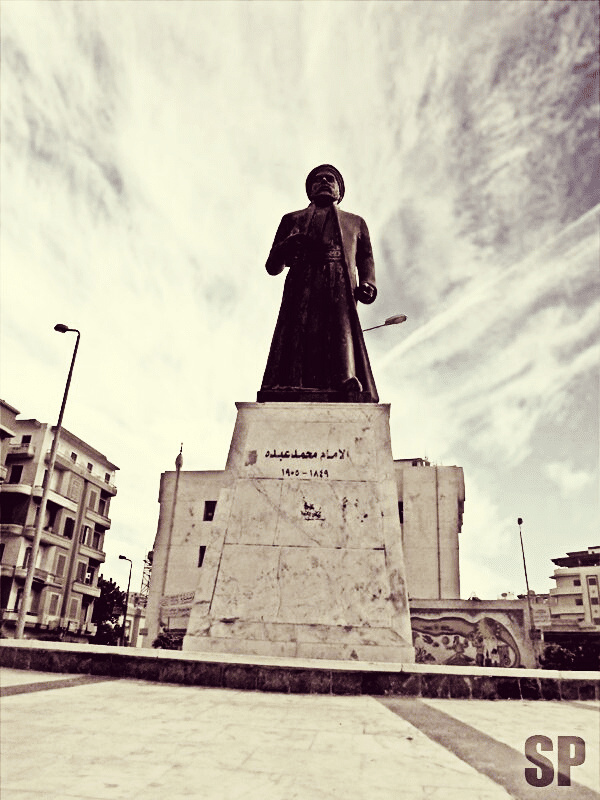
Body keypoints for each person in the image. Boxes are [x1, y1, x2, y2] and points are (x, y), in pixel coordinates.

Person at [258, 164, 379, 403]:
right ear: (310, 190)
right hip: (302, 276)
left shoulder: (355, 222)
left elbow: (365, 257)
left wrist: (368, 283)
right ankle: (290, 381)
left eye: (330, 179)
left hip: (339, 277)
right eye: (318, 179)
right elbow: (273, 266)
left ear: (339, 191)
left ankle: (346, 379)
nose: (324, 181)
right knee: (298, 328)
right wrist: (287, 246)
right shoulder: (291, 219)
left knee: (340, 327)